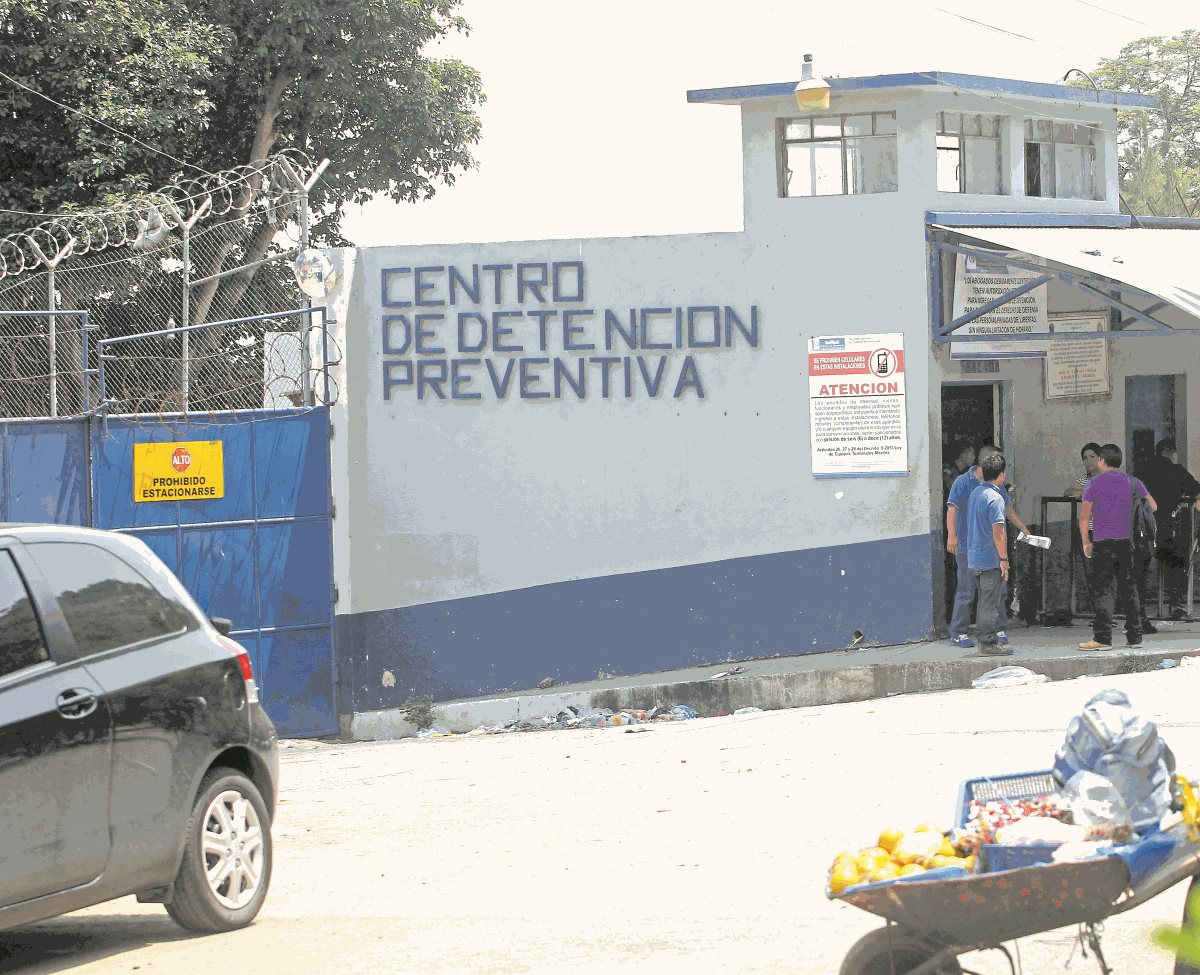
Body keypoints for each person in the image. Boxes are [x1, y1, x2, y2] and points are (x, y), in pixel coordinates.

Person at [946, 443, 1030, 648]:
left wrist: (1022, 527)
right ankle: (959, 632)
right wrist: (952, 536)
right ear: (987, 461)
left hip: (989, 548)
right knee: (967, 591)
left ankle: (997, 629)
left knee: (996, 592)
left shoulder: (995, 485)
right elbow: (952, 509)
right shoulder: (963, 482)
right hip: (967, 546)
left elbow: (1007, 508)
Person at [1078, 443, 1157, 651]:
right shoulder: (1133, 482)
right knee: (1130, 590)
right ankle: (1135, 638)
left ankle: (1103, 639)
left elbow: (1084, 517)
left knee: (1104, 591)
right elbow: (1153, 505)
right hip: (1128, 544)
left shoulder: (1093, 483)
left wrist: (1086, 541)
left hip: (1103, 543)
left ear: (1102, 461)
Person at [1138, 437, 1200, 622]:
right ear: (1171, 453)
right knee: (1177, 564)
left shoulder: (1143, 470)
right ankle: (1177, 605)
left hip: (1143, 526)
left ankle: (1137, 609)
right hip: (1168, 526)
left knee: (1140, 567)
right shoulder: (1176, 470)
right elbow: (1197, 489)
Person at [966, 452, 1012, 655]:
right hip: (990, 559)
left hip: (975, 558)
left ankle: (986, 640)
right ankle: (987, 643)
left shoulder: (976, 493)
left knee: (984, 601)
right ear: (1001, 475)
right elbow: (998, 532)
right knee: (989, 603)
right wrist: (1004, 558)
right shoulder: (995, 498)